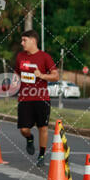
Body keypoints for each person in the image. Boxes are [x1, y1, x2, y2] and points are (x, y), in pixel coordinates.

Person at [14, 30, 59, 167]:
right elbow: (17, 73)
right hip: (24, 98)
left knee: (43, 128)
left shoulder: (45, 57)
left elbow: (55, 76)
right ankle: (29, 138)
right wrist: (14, 82)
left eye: (24, 40)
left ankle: (41, 155)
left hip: (41, 98)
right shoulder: (20, 56)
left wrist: (42, 76)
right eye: (22, 40)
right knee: (23, 129)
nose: (22, 43)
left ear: (33, 41)